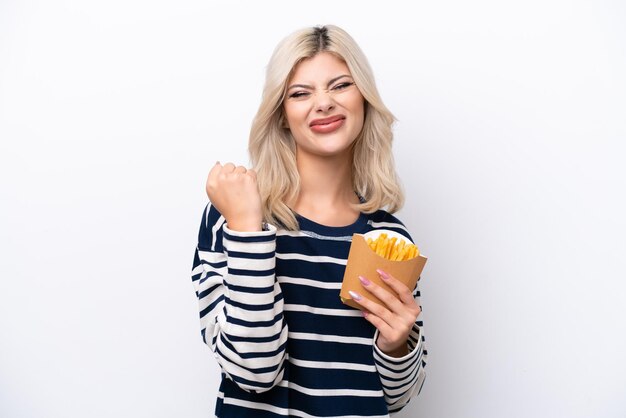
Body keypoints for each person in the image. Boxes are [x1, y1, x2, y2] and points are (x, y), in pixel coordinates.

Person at [191, 24, 427, 417]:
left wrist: (397, 344)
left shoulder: (388, 236)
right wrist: (249, 231)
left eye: (340, 86)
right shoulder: (232, 216)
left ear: (364, 99)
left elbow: (397, 398)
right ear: (282, 114)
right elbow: (254, 372)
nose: (323, 104)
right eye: (300, 93)